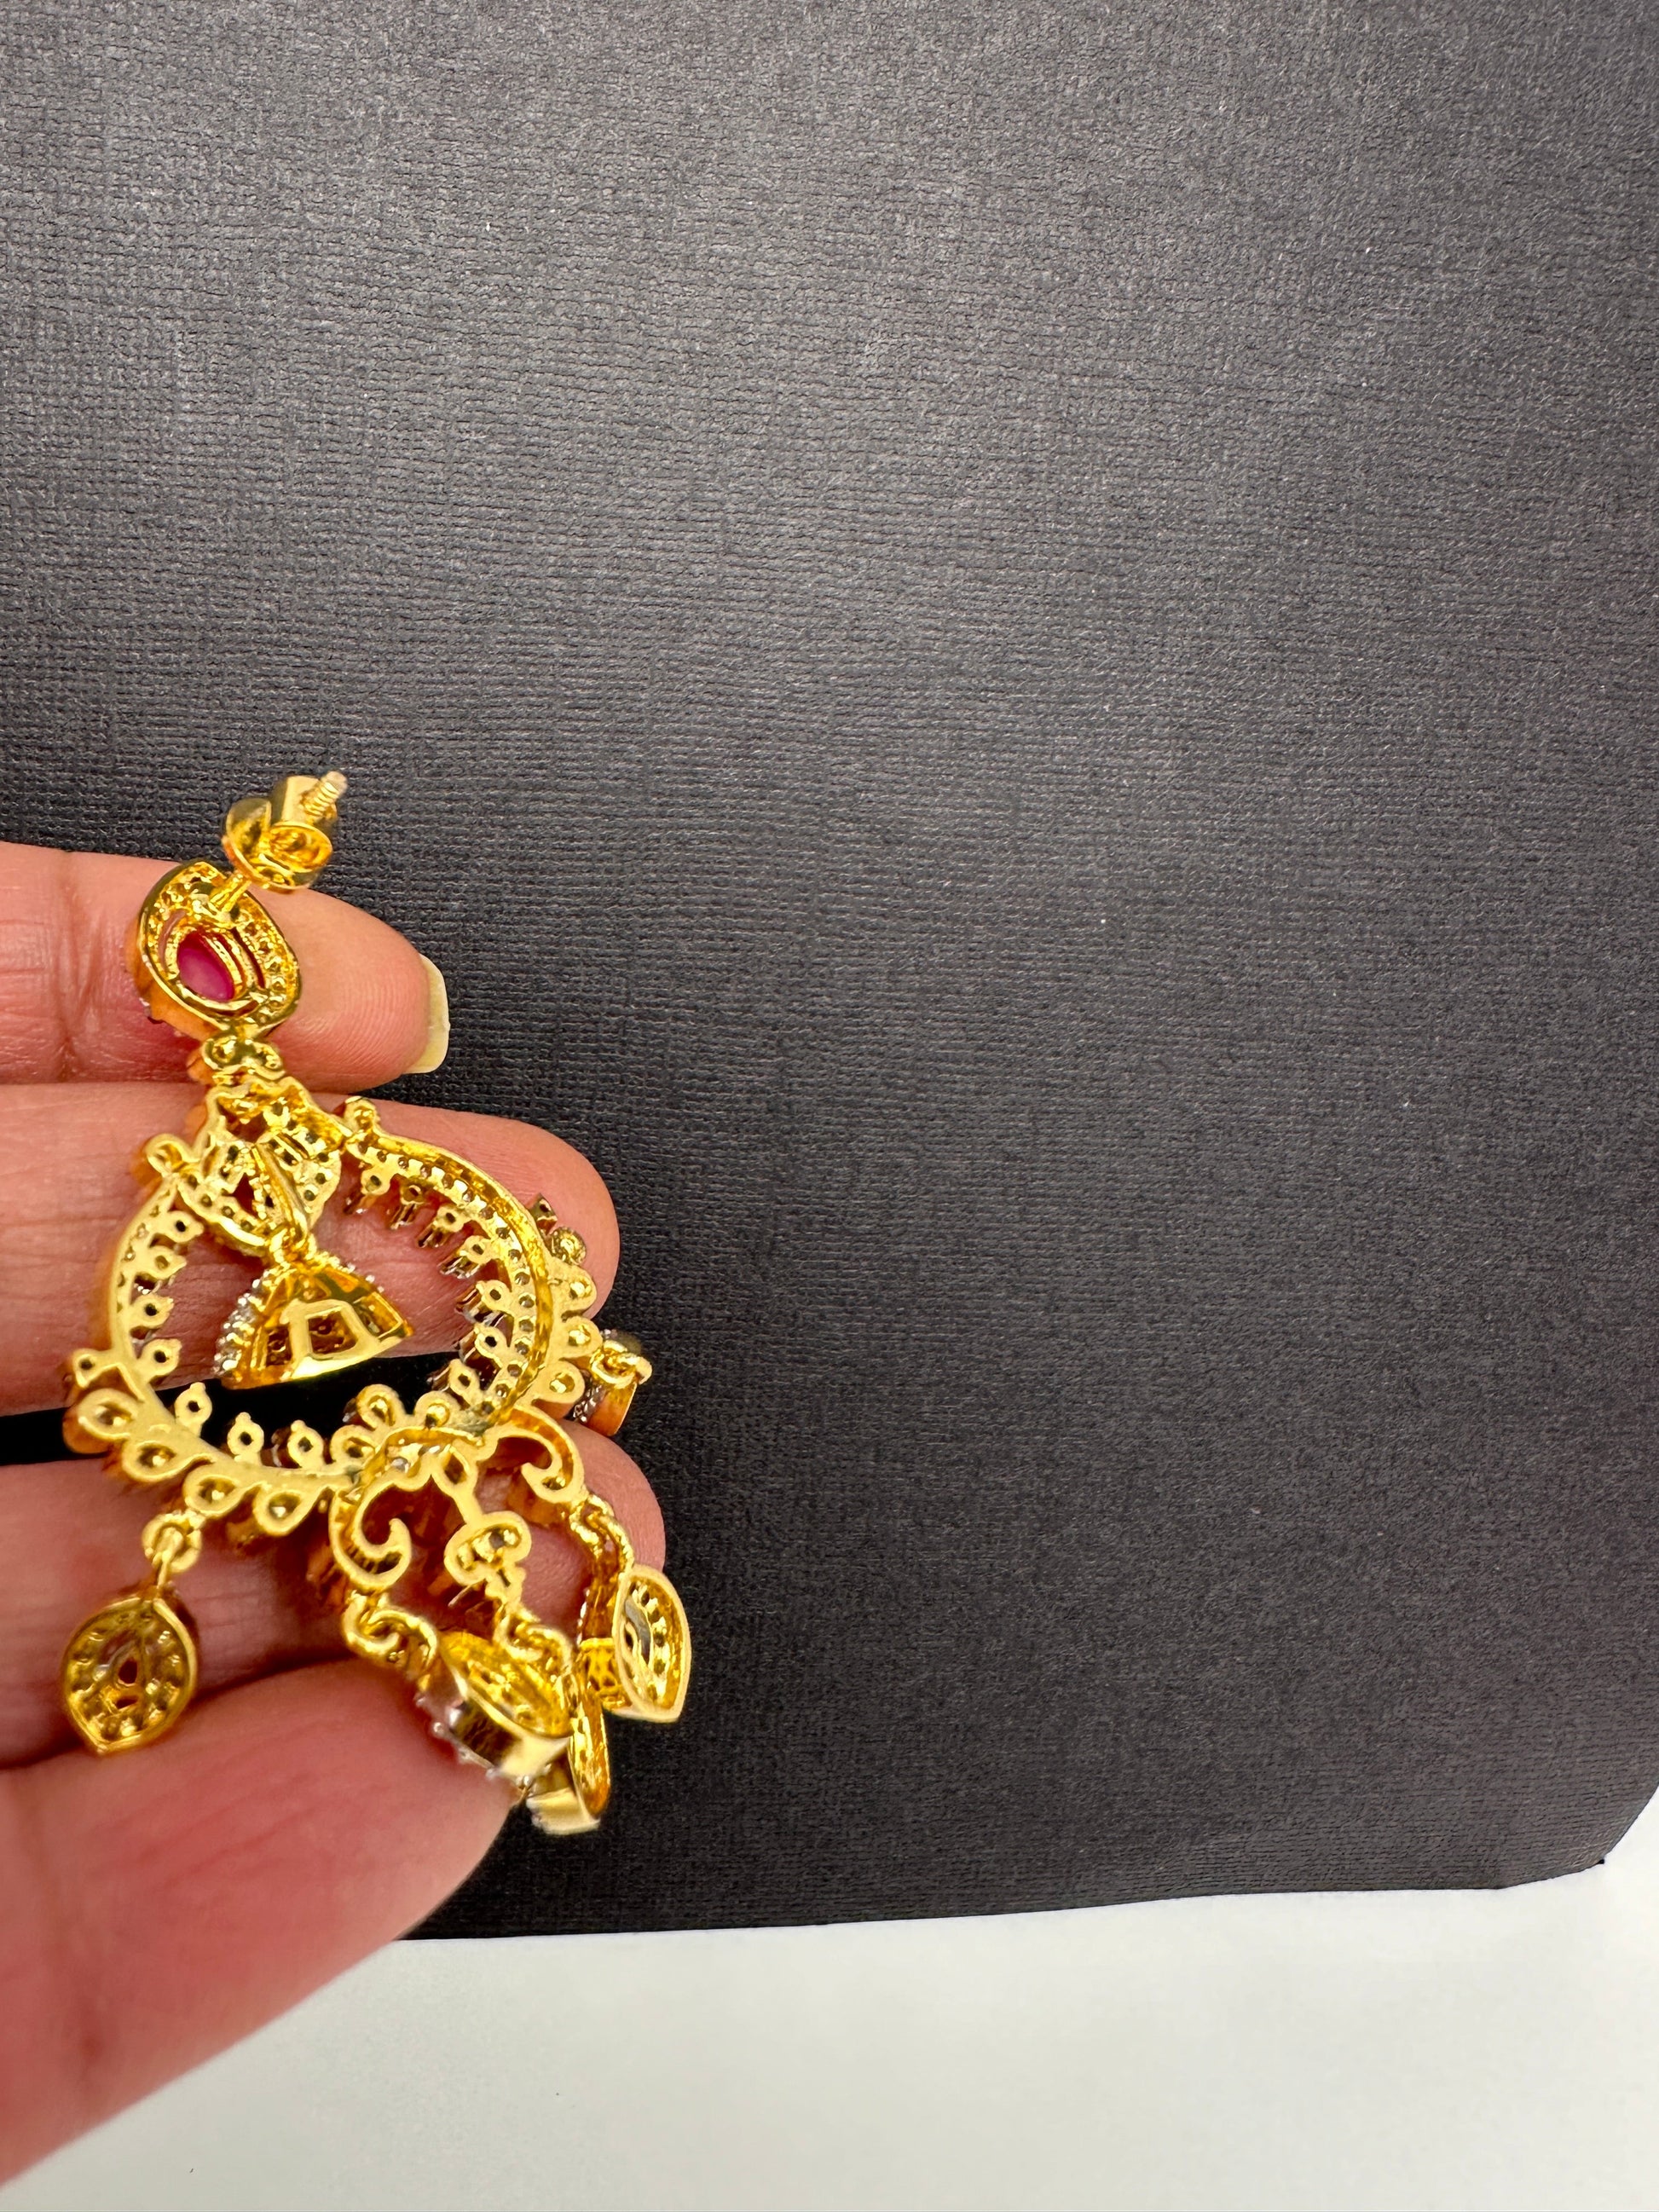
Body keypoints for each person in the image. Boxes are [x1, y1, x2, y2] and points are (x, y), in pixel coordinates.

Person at [0, 837, 662, 2186]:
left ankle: (538, 1710)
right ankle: (518, 1707)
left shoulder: (314, 1183)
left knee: (552, 1546)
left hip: (402, 1399)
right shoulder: (231, 1196)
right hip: (306, 1437)